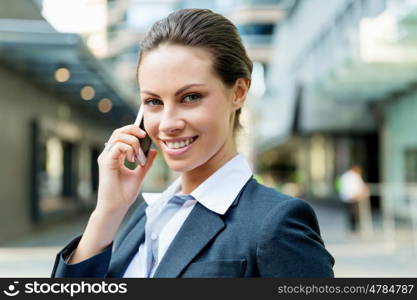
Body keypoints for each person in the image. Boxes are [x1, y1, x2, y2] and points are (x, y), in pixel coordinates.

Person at [51, 8, 334, 278]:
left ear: (238, 92)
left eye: (190, 97)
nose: (167, 123)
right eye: (153, 102)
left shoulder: (276, 223)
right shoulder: (144, 215)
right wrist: (108, 212)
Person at [339, 165, 369, 233]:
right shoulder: (354, 176)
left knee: (351, 213)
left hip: (347, 198)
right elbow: (359, 187)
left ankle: (352, 228)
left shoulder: (345, 176)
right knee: (355, 213)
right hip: (353, 197)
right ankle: (354, 228)